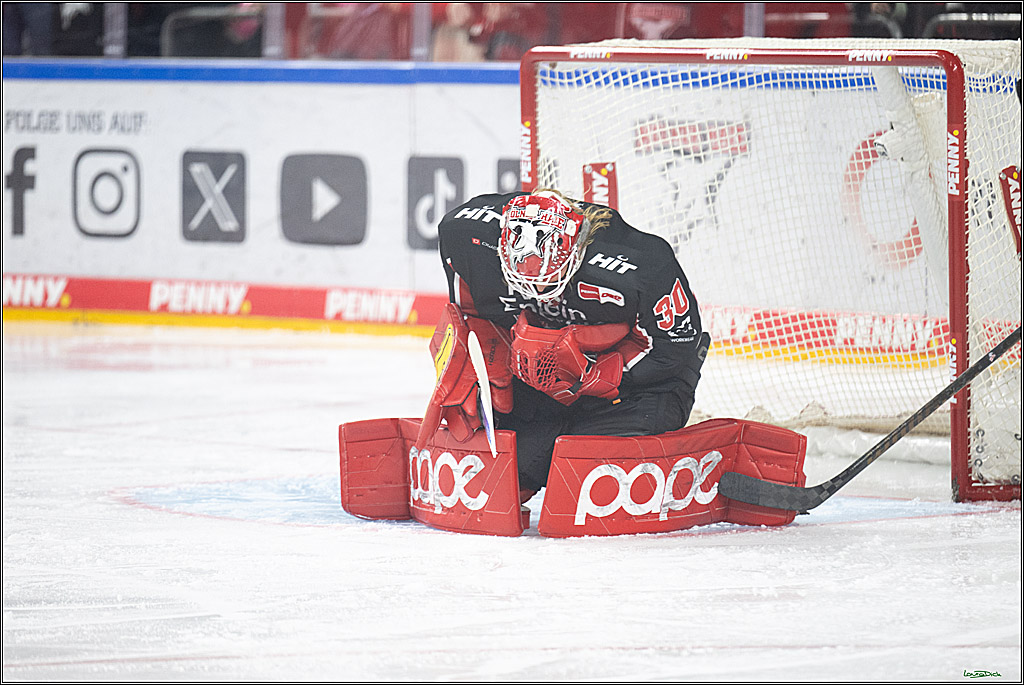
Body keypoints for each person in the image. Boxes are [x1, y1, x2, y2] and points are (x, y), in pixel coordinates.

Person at [422, 188, 710, 502]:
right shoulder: (467, 235)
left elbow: (677, 345)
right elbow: (472, 315)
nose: (532, 288)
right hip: (541, 373)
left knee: (588, 469)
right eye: (520, 281)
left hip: (639, 383)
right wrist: (485, 363)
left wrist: (601, 373)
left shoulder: (643, 266)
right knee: (509, 466)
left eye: (546, 280)